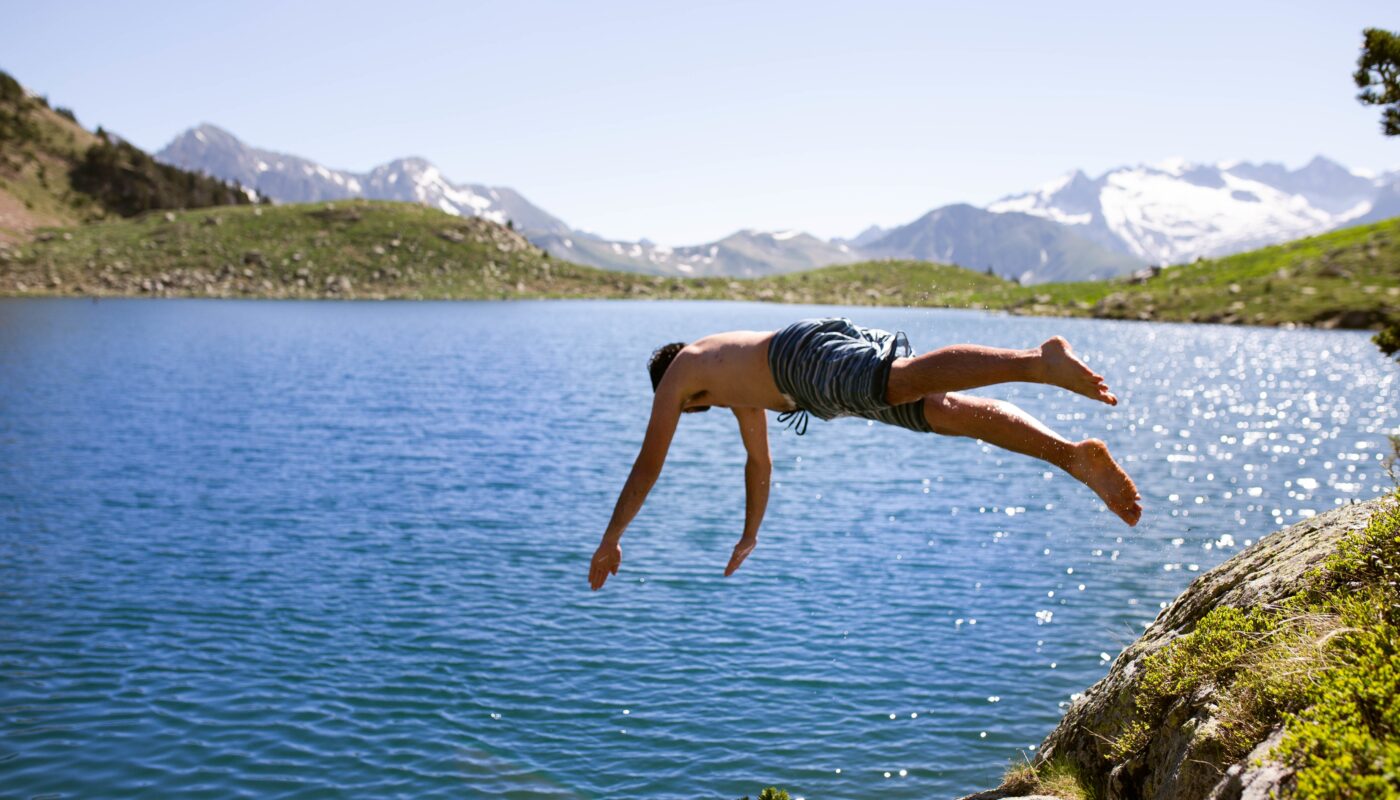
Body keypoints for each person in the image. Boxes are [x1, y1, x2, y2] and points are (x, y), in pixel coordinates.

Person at [588, 317, 1142, 591]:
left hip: (800, 362)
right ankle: (1072, 457)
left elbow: (648, 463)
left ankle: (1035, 362)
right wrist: (750, 533)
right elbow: (758, 463)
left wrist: (611, 537)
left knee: (900, 381)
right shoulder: (728, 383)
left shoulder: (680, 370)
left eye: (682, 409)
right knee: (942, 412)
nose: (686, 412)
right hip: (811, 378)